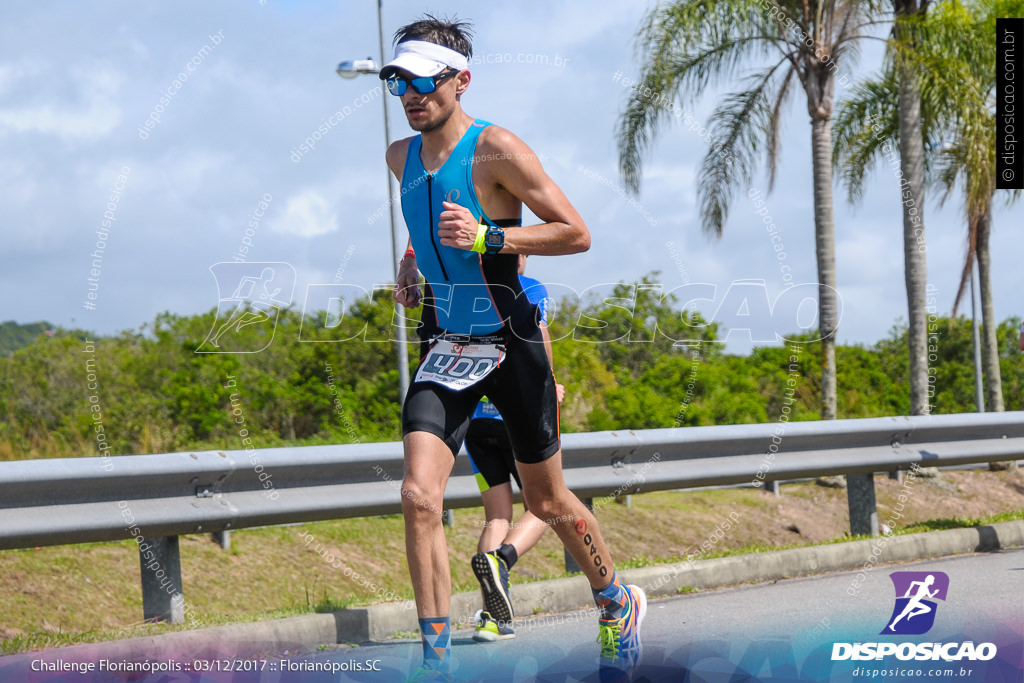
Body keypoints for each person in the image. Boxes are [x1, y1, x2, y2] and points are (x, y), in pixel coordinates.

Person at [381, 15, 645, 683]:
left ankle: (615, 600)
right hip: (444, 341)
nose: (411, 96)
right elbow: (426, 219)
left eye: (422, 83)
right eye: (397, 83)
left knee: (548, 502)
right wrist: (413, 263)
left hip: (511, 340)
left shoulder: (495, 148)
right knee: (418, 494)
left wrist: (490, 240)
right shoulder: (398, 157)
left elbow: (574, 232)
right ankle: (436, 662)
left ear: (459, 80)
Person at [465, 256, 563, 643]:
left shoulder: (466, 291)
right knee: (546, 505)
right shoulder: (530, 286)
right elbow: (537, 336)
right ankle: (501, 560)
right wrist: (549, 383)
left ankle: (492, 620)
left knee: (496, 518)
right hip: (518, 413)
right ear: (518, 257)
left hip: (475, 418)